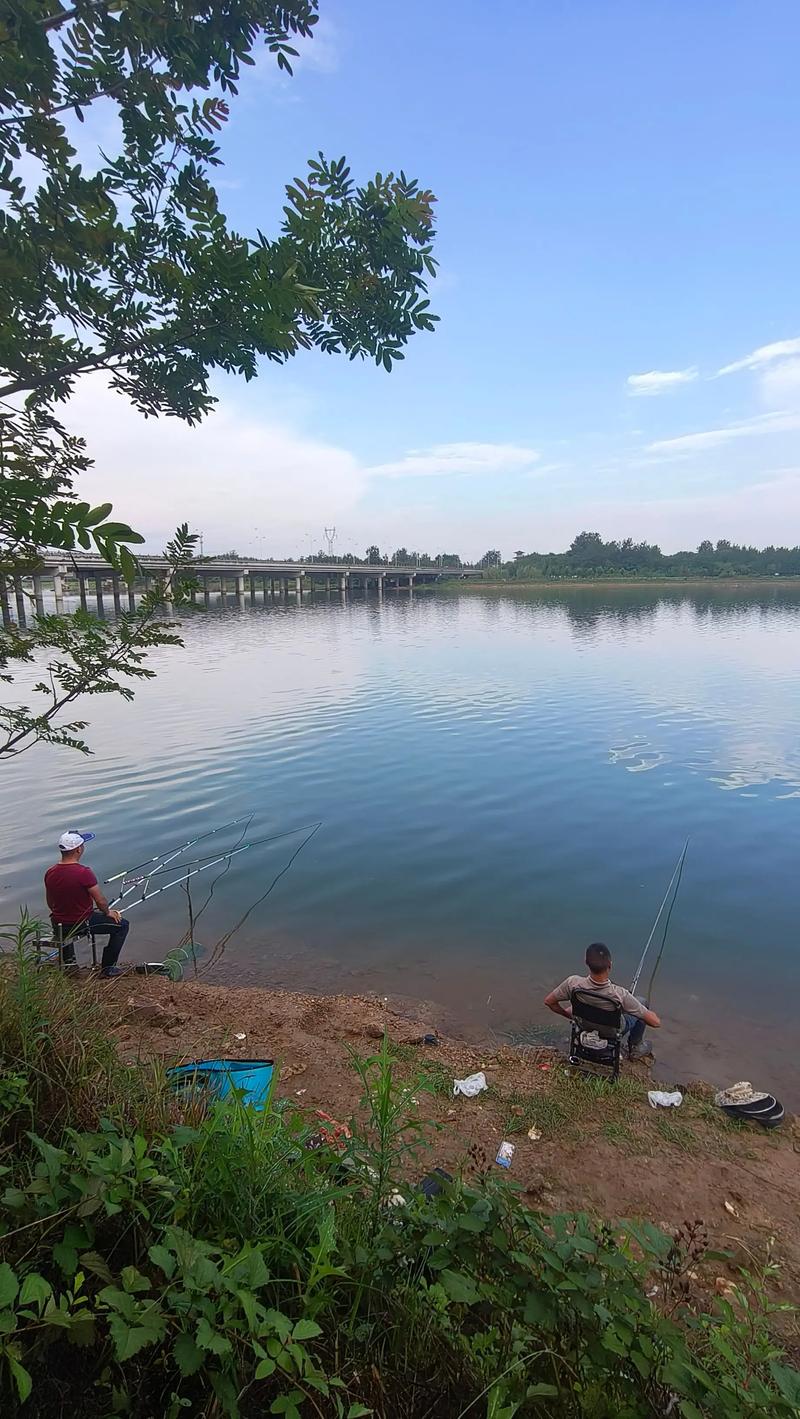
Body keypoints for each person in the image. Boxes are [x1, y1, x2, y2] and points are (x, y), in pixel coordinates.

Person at [544, 941, 661, 1060]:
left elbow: (549, 1001)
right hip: (612, 1031)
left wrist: (569, 1015)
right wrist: (647, 1013)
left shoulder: (572, 983)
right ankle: (636, 1047)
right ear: (610, 965)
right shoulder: (620, 995)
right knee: (642, 1001)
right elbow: (655, 1023)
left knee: (620, 1009)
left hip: (584, 1023)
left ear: (586, 962)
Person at [44, 830, 129, 978]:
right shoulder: (83, 872)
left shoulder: (50, 872)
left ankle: (69, 965)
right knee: (122, 926)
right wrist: (108, 912)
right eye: (83, 845)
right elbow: (100, 900)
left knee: (64, 926)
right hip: (82, 923)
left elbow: (50, 903)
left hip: (58, 924)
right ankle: (108, 968)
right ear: (78, 849)